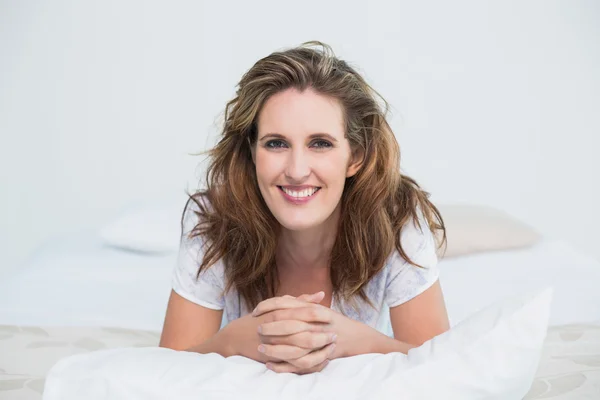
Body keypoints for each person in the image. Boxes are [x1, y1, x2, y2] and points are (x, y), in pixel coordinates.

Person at [159, 41, 450, 375]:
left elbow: (441, 367)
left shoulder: (397, 218)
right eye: (276, 143)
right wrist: (232, 343)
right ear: (252, 151)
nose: (297, 170)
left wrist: (355, 342)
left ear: (354, 156)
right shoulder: (213, 218)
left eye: (320, 144)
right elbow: (168, 369)